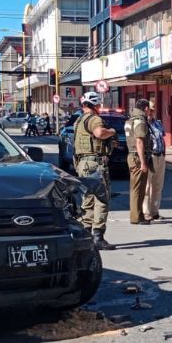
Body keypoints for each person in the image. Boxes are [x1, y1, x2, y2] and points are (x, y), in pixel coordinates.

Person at [74, 92, 117, 250]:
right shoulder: (94, 119)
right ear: (96, 105)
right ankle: (98, 236)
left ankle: (85, 234)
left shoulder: (79, 120)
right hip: (95, 164)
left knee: (88, 199)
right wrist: (111, 131)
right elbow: (99, 133)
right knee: (101, 200)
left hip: (82, 164)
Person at [126, 98, 153, 226]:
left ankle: (139, 215)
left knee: (139, 188)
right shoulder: (140, 121)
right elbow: (139, 141)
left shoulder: (130, 119)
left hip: (132, 155)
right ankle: (136, 217)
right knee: (137, 188)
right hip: (137, 156)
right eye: (149, 109)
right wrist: (143, 162)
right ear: (146, 108)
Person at [143, 104, 167, 222]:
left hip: (160, 156)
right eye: (149, 110)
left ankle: (155, 211)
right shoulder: (142, 124)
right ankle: (146, 212)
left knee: (158, 186)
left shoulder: (158, 123)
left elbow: (162, 138)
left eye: (153, 110)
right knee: (147, 186)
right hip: (150, 156)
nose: (151, 112)